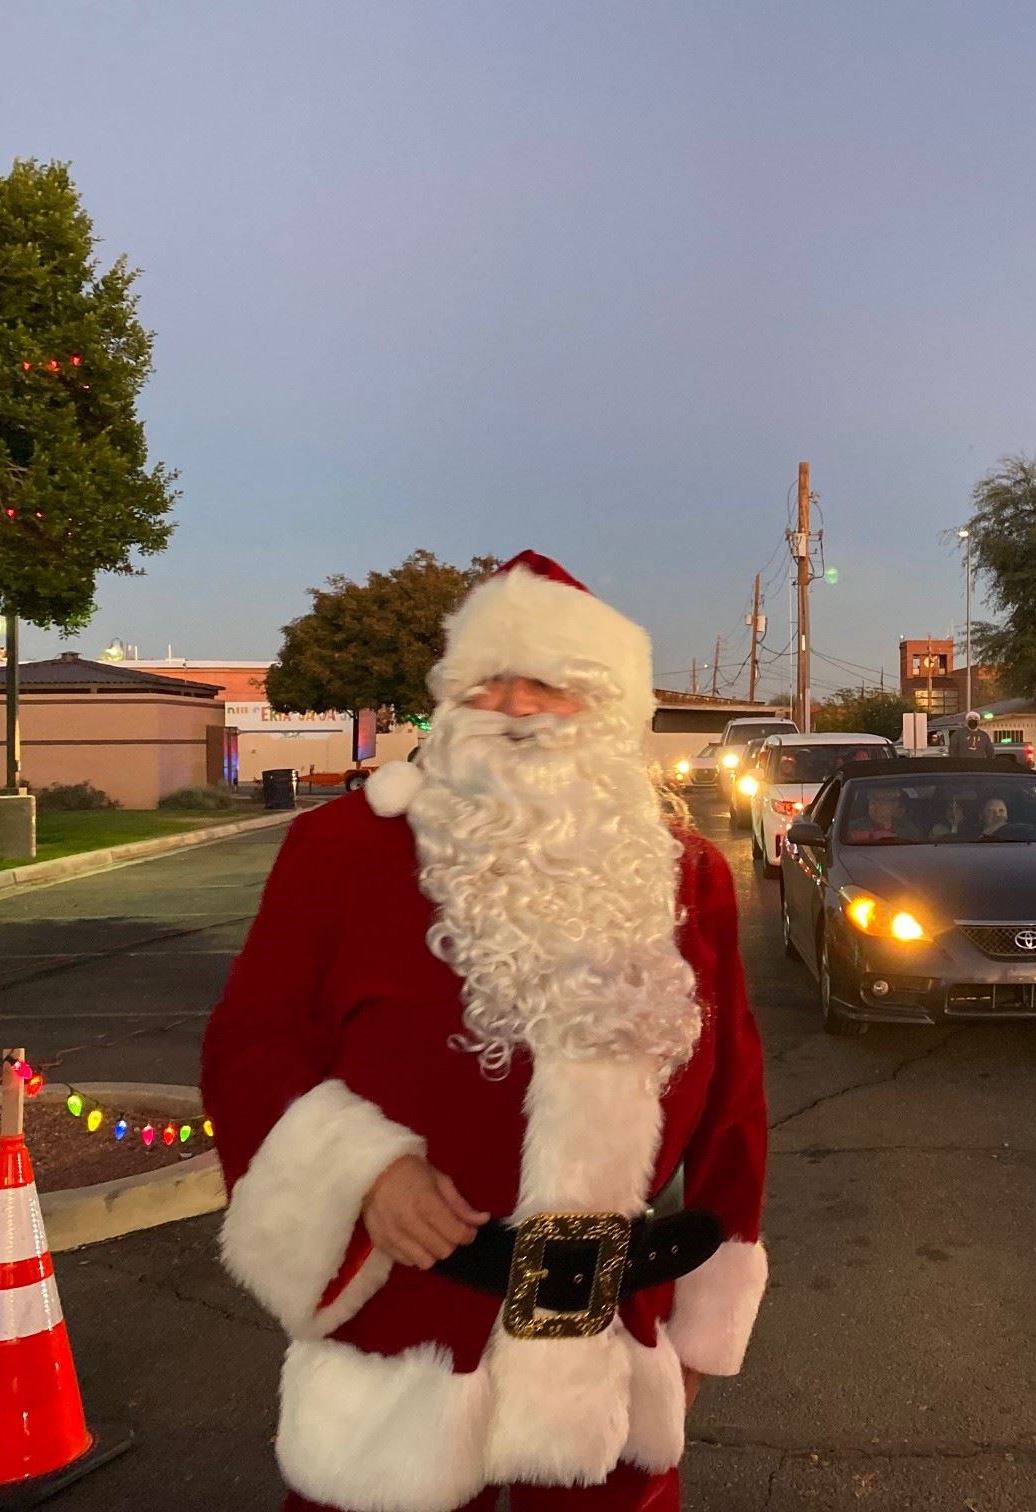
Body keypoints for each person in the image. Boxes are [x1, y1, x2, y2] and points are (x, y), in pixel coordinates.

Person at [201, 552, 769, 1512]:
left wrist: (706, 1324)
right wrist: (365, 1171)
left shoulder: (688, 876)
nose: (511, 705)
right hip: (407, 1332)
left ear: (608, 712)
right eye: (484, 681)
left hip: (607, 1346)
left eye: (548, 683)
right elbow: (250, 1046)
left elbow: (734, 1101)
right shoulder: (338, 854)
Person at [849, 784, 918, 841]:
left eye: (882, 802)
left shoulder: (908, 830)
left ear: (895, 805)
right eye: (872, 801)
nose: (876, 806)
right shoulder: (854, 827)